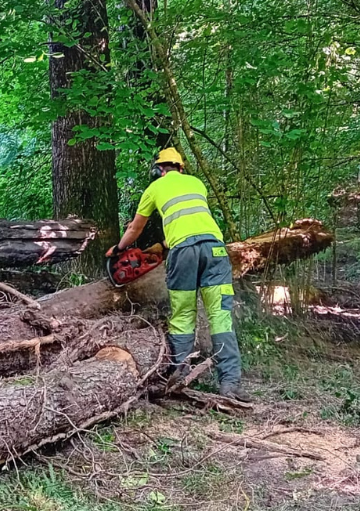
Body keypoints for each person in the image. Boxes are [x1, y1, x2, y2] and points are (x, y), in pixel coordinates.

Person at [106, 148, 251, 402]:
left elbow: (135, 228)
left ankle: (179, 375)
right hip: (215, 249)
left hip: (183, 252)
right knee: (220, 317)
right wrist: (162, 245)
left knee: (183, 315)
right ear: (181, 168)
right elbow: (191, 221)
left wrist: (118, 249)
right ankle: (230, 384)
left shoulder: (155, 188)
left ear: (158, 170)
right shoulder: (197, 183)